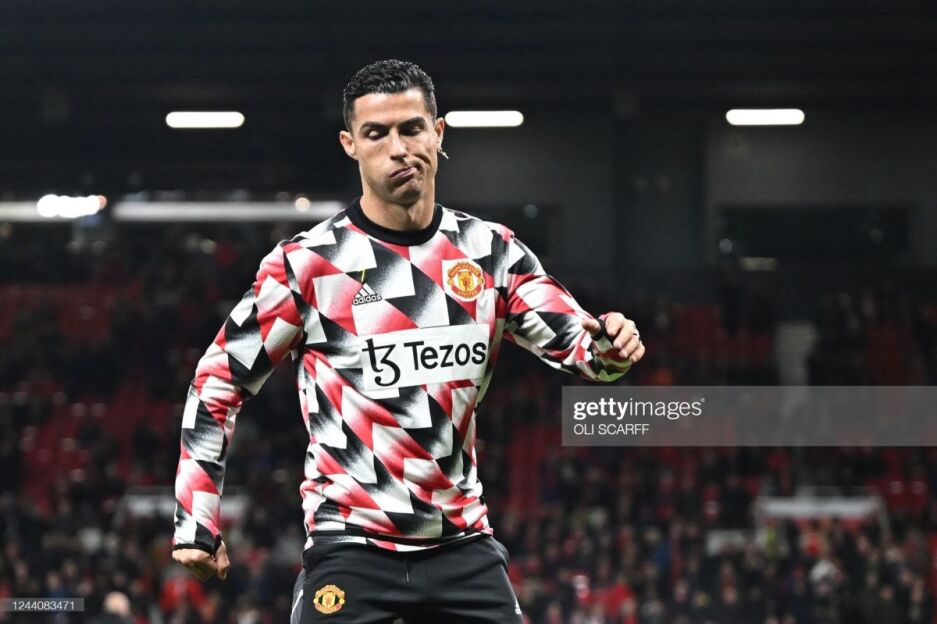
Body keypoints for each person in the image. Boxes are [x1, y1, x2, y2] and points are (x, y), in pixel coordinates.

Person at [171, 59, 645, 623]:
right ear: (350, 144)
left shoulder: (491, 254)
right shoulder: (308, 265)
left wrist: (613, 347)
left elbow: (586, 352)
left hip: (461, 545)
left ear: (438, 133)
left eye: (412, 128)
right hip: (351, 546)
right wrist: (196, 519)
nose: (398, 148)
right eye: (376, 133)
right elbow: (217, 382)